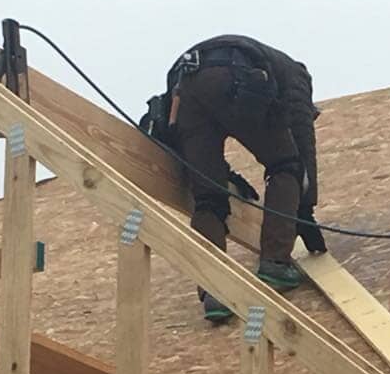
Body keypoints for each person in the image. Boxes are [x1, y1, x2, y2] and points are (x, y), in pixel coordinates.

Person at [140, 35, 327, 323]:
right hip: (232, 75)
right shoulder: (296, 76)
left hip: (184, 87)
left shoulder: (263, 59)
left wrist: (223, 177)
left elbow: (192, 143)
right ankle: (275, 263)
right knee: (285, 164)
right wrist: (305, 208)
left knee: (208, 196)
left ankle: (216, 291)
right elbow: (302, 145)